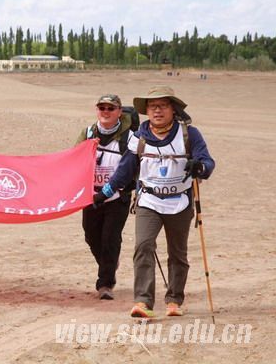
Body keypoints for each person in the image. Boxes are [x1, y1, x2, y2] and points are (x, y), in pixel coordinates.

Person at [94, 85, 215, 318]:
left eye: (162, 105)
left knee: (177, 254)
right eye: (152, 106)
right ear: (146, 111)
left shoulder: (190, 134)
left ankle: (174, 299)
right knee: (143, 247)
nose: (157, 111)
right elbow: (125, 170)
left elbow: (207, 162)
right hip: (149, 201)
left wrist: (200, 167)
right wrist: (105, 193)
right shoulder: (139, 138)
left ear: (173, 109)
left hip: (179, 203)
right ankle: (143, 302)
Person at [75, 94, 135, 300]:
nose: (106, 111)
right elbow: (75, 159)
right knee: (91, 236)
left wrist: (108, 191)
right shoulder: (88, 133)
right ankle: (109, 263)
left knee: (110, 238)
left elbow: (128, 169)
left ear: (119, 112)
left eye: (111, 108)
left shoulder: (130, 138)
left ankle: (105, 284)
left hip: (116, 197)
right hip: (91, 196)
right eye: (102, 107)